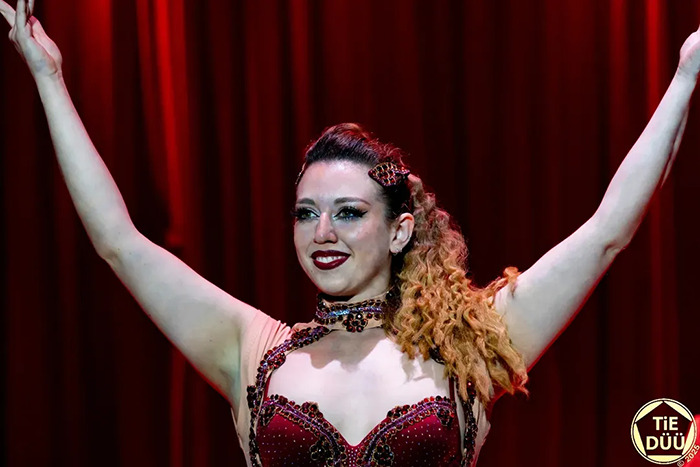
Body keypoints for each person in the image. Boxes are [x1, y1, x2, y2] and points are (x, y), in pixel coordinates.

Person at [2, 0, 699, 465]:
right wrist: (50, 77)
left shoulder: (471, 345)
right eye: (306, 213)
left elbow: (608, 232)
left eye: (348, 212)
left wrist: (687, 72)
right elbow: (120, 243)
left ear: (399, 231)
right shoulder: (253, 349)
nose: (322, 231)